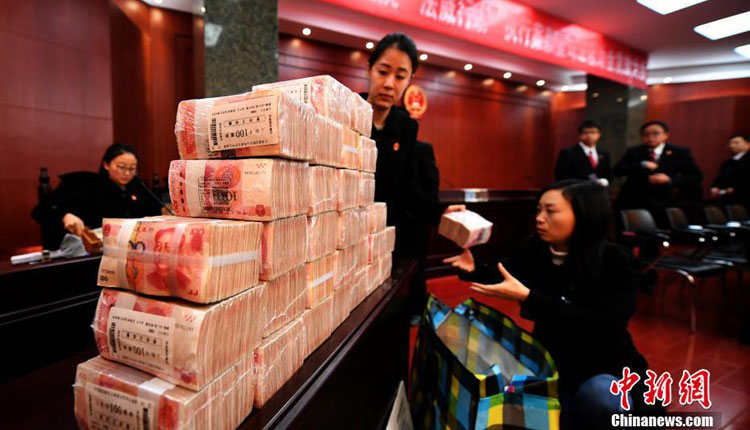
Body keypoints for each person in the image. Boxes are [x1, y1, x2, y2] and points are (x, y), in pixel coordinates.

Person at [444, 180, 658, 429]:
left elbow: (606, 323)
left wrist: (530, 297)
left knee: (600, 398)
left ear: (584, 214)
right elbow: (506, 274)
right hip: (551, 357)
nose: (539, 218)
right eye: (538, 210)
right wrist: (474, 269)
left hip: (601, 360)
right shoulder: (534, 248)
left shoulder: (616, 260)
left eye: (551, 211)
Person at [360, 33, 463, 322]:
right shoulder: (347, 109)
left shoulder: (405, 126)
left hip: (385, 239)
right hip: (347, 233)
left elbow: (408, 189)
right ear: (369, 69)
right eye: (383, 72)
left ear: (410, 79)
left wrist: (440, 213)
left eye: (400, 76)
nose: (389, 83)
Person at [32, 142, 163, 248]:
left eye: (132, 169)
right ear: (106, 165)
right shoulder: (85, 185)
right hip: (91, 253)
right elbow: (40, 211)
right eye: (122, 167)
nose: (127, 173)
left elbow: (155, 214)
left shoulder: (139, 188)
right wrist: (64, 216)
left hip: (133, 249)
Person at [614, 121, 703, 227]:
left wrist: (670, 180)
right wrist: (641, 164)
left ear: (666, 135)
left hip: (663, 202)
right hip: (633, 201)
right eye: (646, 134)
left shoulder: (679, 152)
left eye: (655, 133)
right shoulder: (634, 151)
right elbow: (617, 171)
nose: (650, 137)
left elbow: (696, 176)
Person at [554, 120, 612, 186]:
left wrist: (605, 182)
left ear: (599, 134)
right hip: (575, 189)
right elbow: (562, 176)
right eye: (585, 133)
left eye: (593, 132)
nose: (589, 136)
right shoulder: (567, 153)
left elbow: (608, 174)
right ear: (579, 135)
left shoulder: (604, 154)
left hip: (599, 190)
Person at [710, 133, 750, 208]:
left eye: (736, 143)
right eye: (730, 143)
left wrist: (735, 188)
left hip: (744, 198)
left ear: (748, 144)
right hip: (728, 199)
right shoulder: (727, 163)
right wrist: (715, 187)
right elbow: (721, 178)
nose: (732, 145)